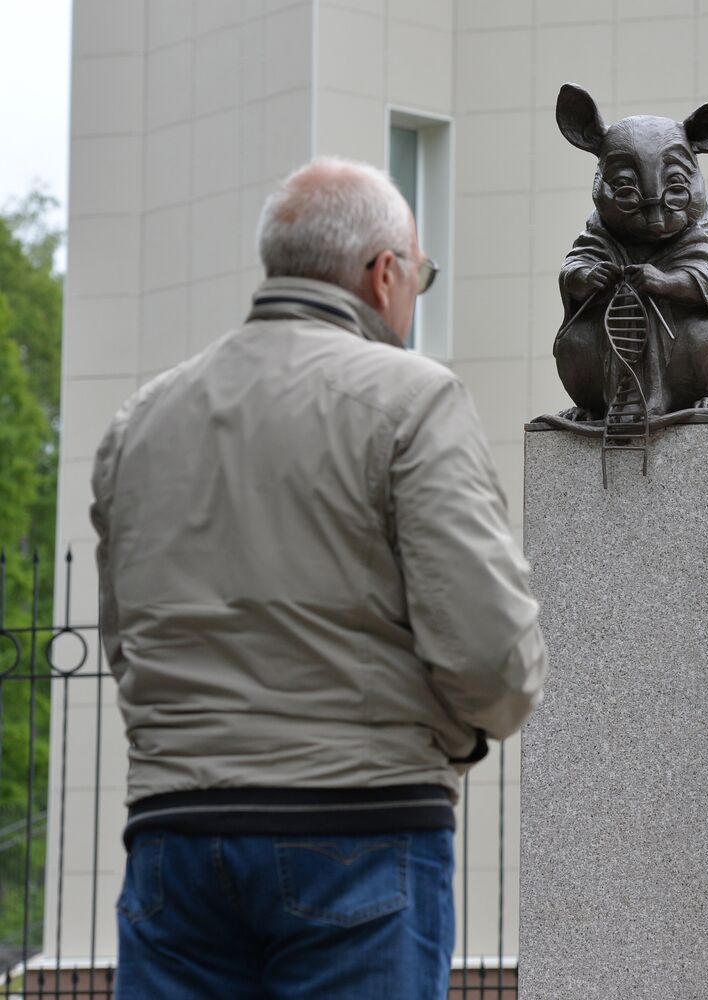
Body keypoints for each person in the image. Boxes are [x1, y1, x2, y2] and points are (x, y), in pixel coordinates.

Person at [91, 157, 548, 999]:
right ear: (384, 275)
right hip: (358, 829)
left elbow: (126, 645)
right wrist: (459, 737)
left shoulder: (141, 421)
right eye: (421, 275)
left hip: (174, 836)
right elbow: (492, 655)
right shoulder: (413, 401)